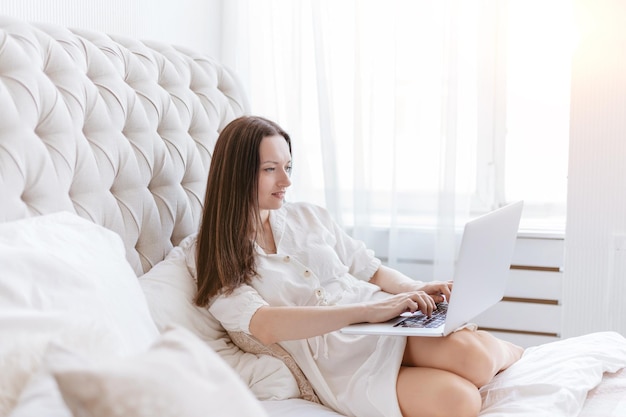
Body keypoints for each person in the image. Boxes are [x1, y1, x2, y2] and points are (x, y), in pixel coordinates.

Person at [194, 115, 523, 417]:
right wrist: (367, 312)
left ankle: (512, 353)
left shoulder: (309, 216)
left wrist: (414, 288)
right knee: (461, 402)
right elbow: (264, 325)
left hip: (384, 320)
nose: (286, 181)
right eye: (270, 169)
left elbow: (370, 269)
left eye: (288, 167)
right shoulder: (211, 252)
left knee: (476, 361)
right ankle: (492, 352)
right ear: (237, 171)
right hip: (339, 364)